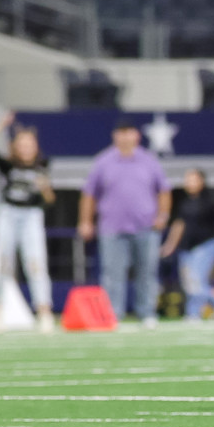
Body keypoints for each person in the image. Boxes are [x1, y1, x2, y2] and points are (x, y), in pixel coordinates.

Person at [78, 118, 171, 327]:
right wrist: (85, 221)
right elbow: (89, 194)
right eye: (121, 132)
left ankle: (146, 312)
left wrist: (162, 215)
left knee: (147, 271)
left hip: (145, 226)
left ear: (137, 135)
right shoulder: (103, 161)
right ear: (115, 136)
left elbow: (164, 190)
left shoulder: (149, 160)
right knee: (112, 274)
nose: (125, 137)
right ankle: (113, 314)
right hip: (112, 227)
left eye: (129, 132)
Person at [0, 111, 56, 331]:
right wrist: (1, 124)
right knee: (4, 263)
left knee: (36, 263)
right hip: (8, 213)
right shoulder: (8, 165)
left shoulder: (43, 165)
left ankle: (44, 311)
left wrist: (45, 188)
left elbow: (50, 200)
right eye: (21, 144)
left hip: (31, 215)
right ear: (15, 146)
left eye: (29, 144)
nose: (25, 148)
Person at [160, 168, 214, 320]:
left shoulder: (210, 199)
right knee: (189, 283)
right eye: (187, 179)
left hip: (205, 245)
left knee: (196, 280)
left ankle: (209, 304)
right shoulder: (184, 203)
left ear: (201, 181)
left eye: (193, 179)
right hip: (186, 249)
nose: (189, 183)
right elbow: (179, 225)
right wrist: (170, 245)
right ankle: (199, 309)